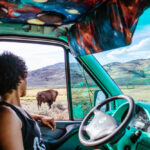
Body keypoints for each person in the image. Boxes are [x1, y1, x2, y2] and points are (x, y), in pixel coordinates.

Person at [0, 52, 56, 150]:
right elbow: (11, 118)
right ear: (20, 79)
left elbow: (18, 118)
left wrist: (39, 117)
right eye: (26, 77)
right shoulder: (6, 116)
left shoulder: (12, 111)